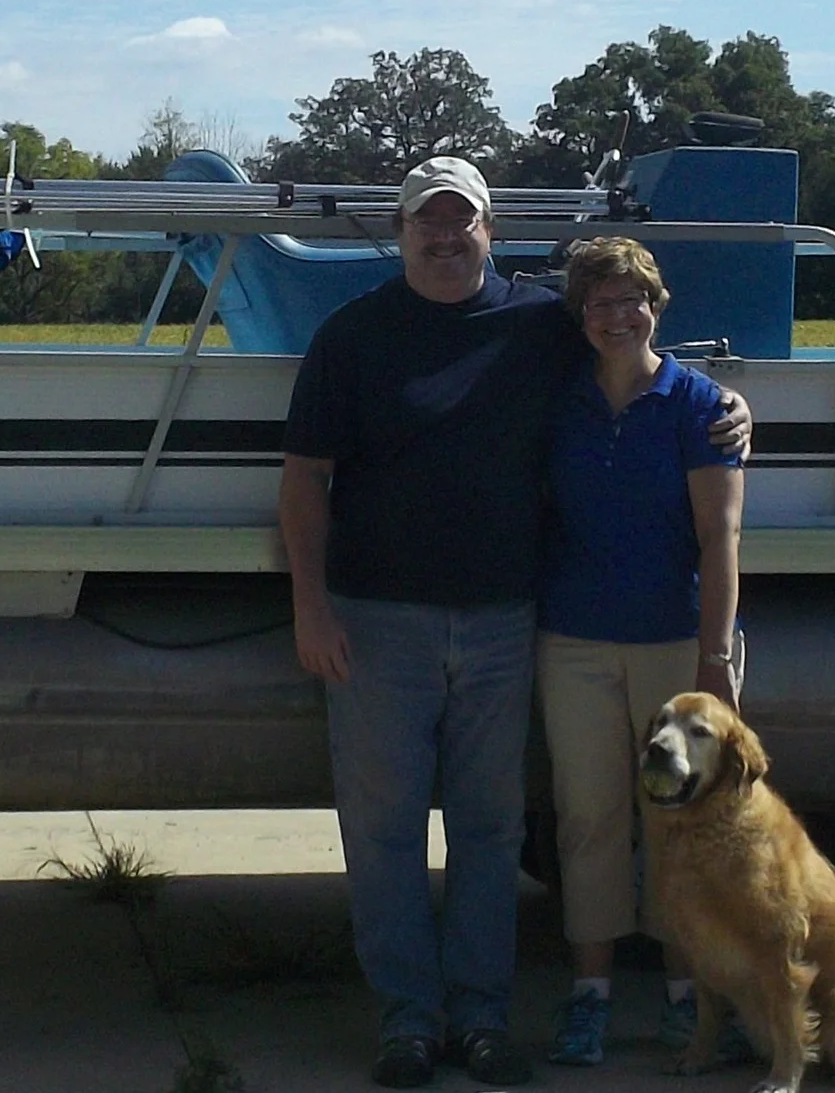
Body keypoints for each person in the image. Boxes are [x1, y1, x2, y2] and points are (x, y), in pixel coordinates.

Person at [279, 158, 748, 1089]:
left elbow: (636, 357)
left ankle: (484, 1020)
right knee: (382, 831)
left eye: (462, 223)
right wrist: (311, 604)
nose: (444, 238)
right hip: (378, 624)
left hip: (502, 621)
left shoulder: (539, 322)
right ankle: (409, 1021)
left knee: (491, 830)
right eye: (426, 223)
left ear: (491, 230)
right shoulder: (353, 335)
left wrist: (729, 409)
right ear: (402, 229)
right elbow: (303, 481)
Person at [532, 238, 747, 1068]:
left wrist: (714, 660)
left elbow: (719, 536)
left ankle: (687, 997)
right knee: (588, 818)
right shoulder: (560, 401)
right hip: (576, 638)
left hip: (673, 641)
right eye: (598, 303)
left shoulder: (698, 405)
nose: (617, 316)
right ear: (579, 316)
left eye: (633, 301)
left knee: (682, 823)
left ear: (657, 307)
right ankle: (589, 995)